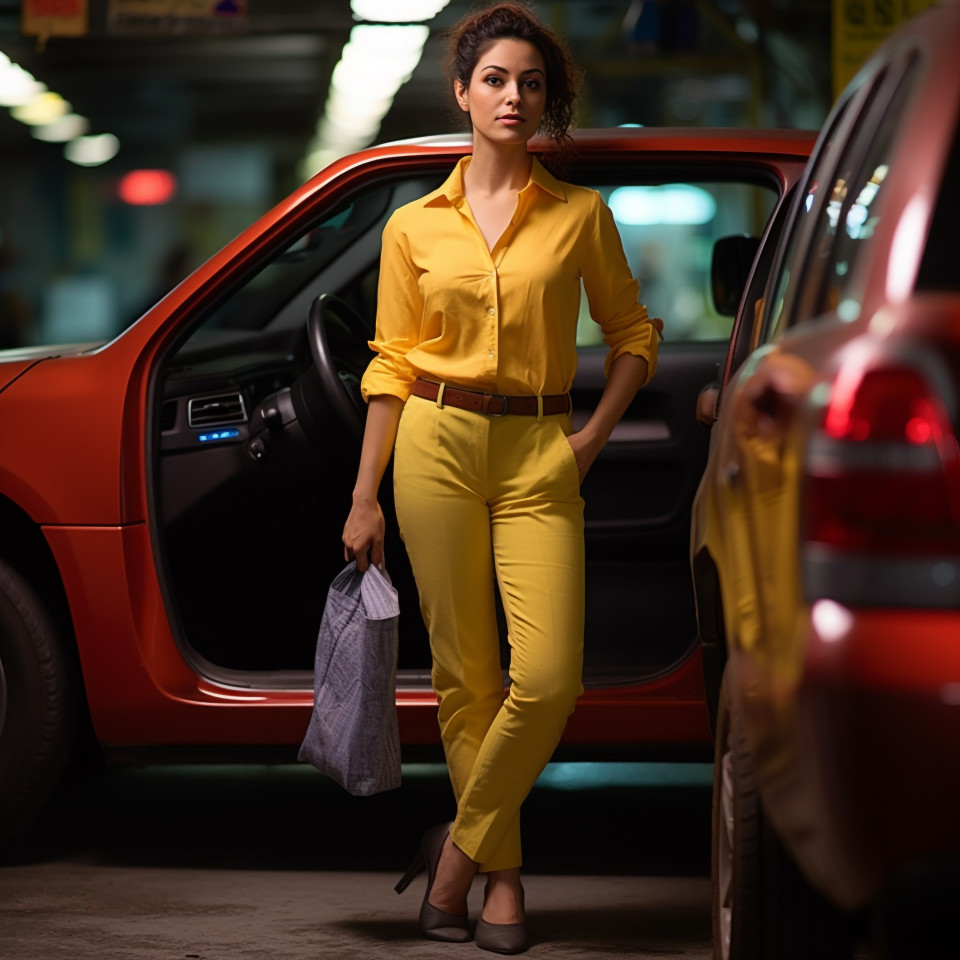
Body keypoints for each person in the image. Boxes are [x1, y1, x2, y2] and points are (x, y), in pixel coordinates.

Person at [341, 2, 661, 953]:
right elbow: (392, 365)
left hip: (539, 452)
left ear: (545, 98)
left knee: (549, 677)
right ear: (463, 92)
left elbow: (633, 338)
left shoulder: (578, 217)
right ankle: (507, 881)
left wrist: (594, 436)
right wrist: (365, 494)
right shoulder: (414, 228)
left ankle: (453, 859)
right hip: (433, 445)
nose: (513, 96)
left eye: (529, 83)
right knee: (466, 681)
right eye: (495, 80)